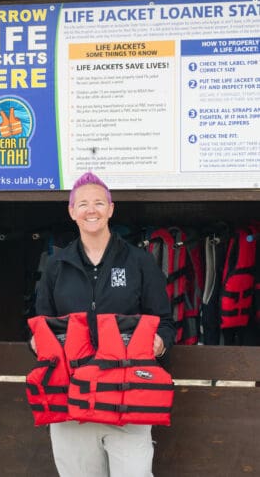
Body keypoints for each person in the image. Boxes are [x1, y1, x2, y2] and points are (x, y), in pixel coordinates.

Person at [31, 171, 176, 477]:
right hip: (72, 402)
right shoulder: (56, 265)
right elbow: (42, 322)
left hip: (127, 400)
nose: (91, 210)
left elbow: (164, 321)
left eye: (99, 202)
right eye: (82, 203)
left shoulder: (139, 262)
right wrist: (37, 343)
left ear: (111, 209)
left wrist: (160, 342)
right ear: (72, 212)